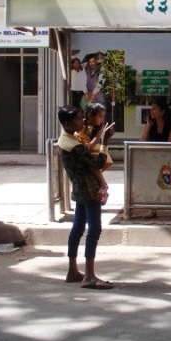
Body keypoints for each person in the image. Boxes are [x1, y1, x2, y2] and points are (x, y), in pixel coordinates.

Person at [57, 106, 113, 289]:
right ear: (67, 123)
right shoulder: (74, 146)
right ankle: (89, 276)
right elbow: (98, 162)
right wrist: (104, 142)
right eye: (79, 119)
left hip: (80, 189)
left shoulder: (67, 139)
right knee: (94, 229)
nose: (82, 122)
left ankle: (72, 270)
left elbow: (86, 152)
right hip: (89, 190)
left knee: (78, 227)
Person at [78, 102, 115, 203]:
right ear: (90, 116)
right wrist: (100, 136)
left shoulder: (94, 128)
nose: (102, 119)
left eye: (103, 116)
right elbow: (87, 148)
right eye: (99, 116)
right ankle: (103, 184)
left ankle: (103, 185)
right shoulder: (82, 128)